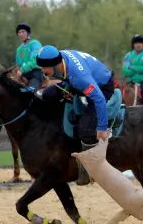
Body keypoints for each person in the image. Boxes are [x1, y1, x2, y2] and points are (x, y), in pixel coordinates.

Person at [36, 45, 115, 186]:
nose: (43, 71)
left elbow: (99, 99)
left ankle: (90, 171)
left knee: (85, 128)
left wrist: (102, 128)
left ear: (55, 65)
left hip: (102, 87)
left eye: (44, 67)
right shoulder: (60, 58)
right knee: (48, 94)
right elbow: (66, 78)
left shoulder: (80, 77)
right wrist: (66, 88)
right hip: (74, 80)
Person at [122, 35, 143, 106]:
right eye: (136, 43)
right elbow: (125, 72)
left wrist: (131, 67)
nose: (138, 45)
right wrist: (139, 69)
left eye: (140, 43)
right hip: (132, 82)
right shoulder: (128, 55)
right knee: (121, 94)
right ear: (133, 45)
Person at [15, 23, 44, 91]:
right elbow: (18, 65)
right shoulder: (19, 49)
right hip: (23, 75)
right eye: (19, 32)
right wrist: (18, 72)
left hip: (36, 73)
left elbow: (34, 61)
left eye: (23, 32)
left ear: (28, 33)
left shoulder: (35, 44)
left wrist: (22, 70)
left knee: (30, 91)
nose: (21, 34)